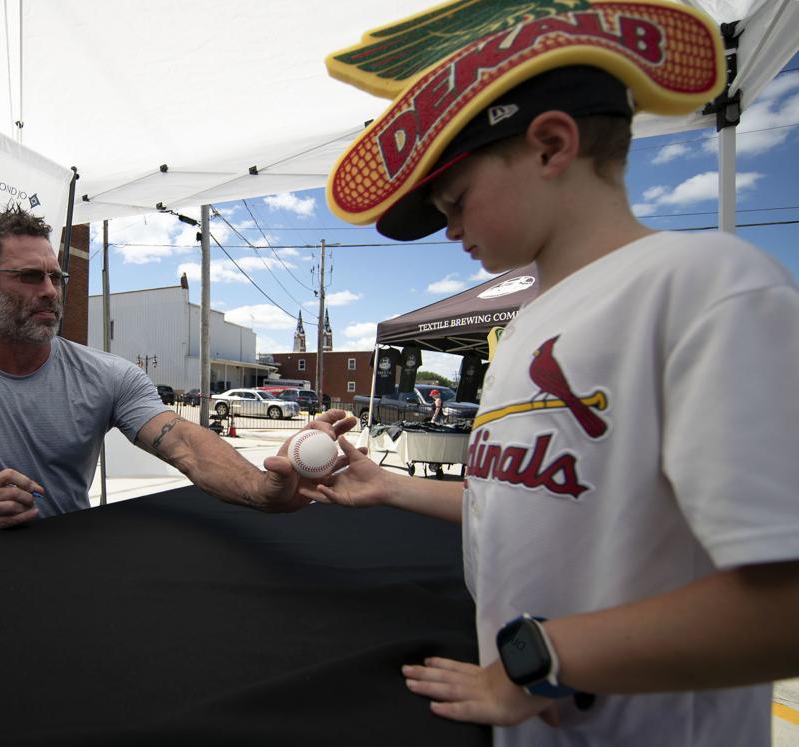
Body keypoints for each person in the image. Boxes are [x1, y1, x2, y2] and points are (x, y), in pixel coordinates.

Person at [312, 2, 799, 745]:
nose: (450, 228)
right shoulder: (528, 324)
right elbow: (531, 492)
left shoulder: (707, 286)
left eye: (457, 199)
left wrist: (533, 663)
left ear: (550, 145)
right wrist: (389, 486)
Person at [0, 205, 354, 554]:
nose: (51, 292)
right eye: (31, 277)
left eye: (58, 278)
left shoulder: (107, 376)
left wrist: (261, 488)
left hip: (70, 570)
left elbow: (183, 442)